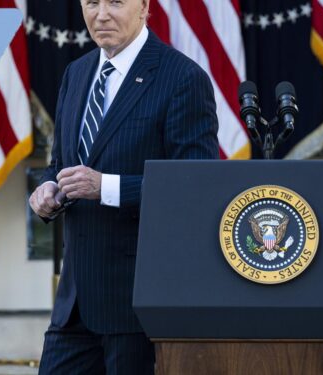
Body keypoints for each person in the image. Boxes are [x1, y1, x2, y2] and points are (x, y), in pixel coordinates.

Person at [29, 0, 219, 373]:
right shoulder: (76, 72)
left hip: (137, 303)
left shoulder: (182, 77)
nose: (101, 14)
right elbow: (61, 163)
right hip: (74, 304)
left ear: (145, 6)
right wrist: (48, 187)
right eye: (91, 3)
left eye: (115, 1)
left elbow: (195, 189)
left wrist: (106, 188)